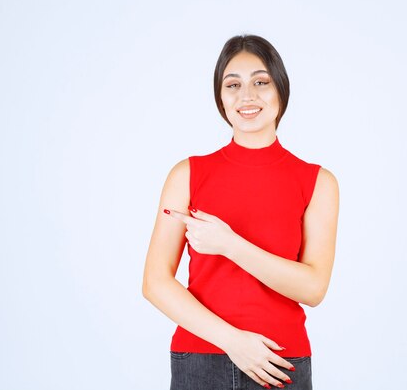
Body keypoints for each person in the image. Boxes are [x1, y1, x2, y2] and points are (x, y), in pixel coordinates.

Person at [142, 34, 339, 390]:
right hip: (199, 361)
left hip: (280, 361)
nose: (246, 96)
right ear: (220, 97)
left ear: (280, 90)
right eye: (233, 84)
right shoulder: (186, 175)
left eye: (260, 82)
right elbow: (155, 282)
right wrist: (232, 341)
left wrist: (230, 244)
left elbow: (313, 288)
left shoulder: (318, 182)